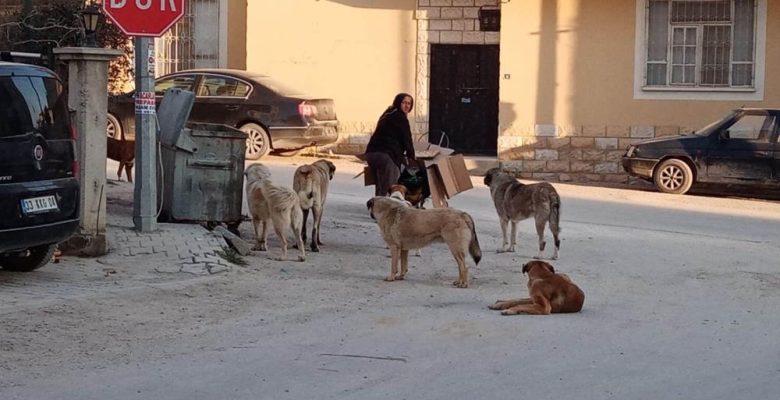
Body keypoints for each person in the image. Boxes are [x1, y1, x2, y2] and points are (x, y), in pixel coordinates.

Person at [364, 93, 416, 196]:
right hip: (386, 155)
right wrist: (413, 158)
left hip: (371, 154)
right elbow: (407, 140)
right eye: (404, 102)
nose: (406, 106)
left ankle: (377, 207)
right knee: (390, 186)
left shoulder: (388, 113)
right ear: (398, 103)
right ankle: (385, 208)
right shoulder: (400, 118)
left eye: (409, 104)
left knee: (380, 184)